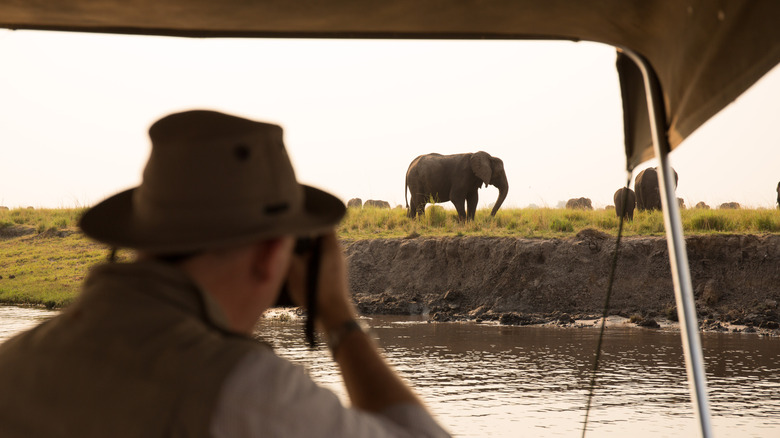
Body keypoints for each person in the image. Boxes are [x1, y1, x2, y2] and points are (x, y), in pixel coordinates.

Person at [0, 110, 450, 437]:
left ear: (140, 238)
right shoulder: (245, 391)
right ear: (272, 251)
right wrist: (338, 316)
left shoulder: (16, 360)